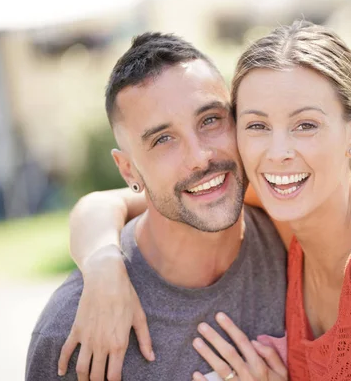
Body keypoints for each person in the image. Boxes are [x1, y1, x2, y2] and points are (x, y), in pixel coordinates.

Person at [62, 21, 351, 380]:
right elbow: (106, 204)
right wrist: (104, 269)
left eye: (305, 125)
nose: (278, 152)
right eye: (257, 125)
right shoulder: (282, 201)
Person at [26, 32, 288, 381]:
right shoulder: (75, 337)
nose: (199, 157)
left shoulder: (298, 246)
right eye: (163, 139)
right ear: (128, 169)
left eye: (210, 119)